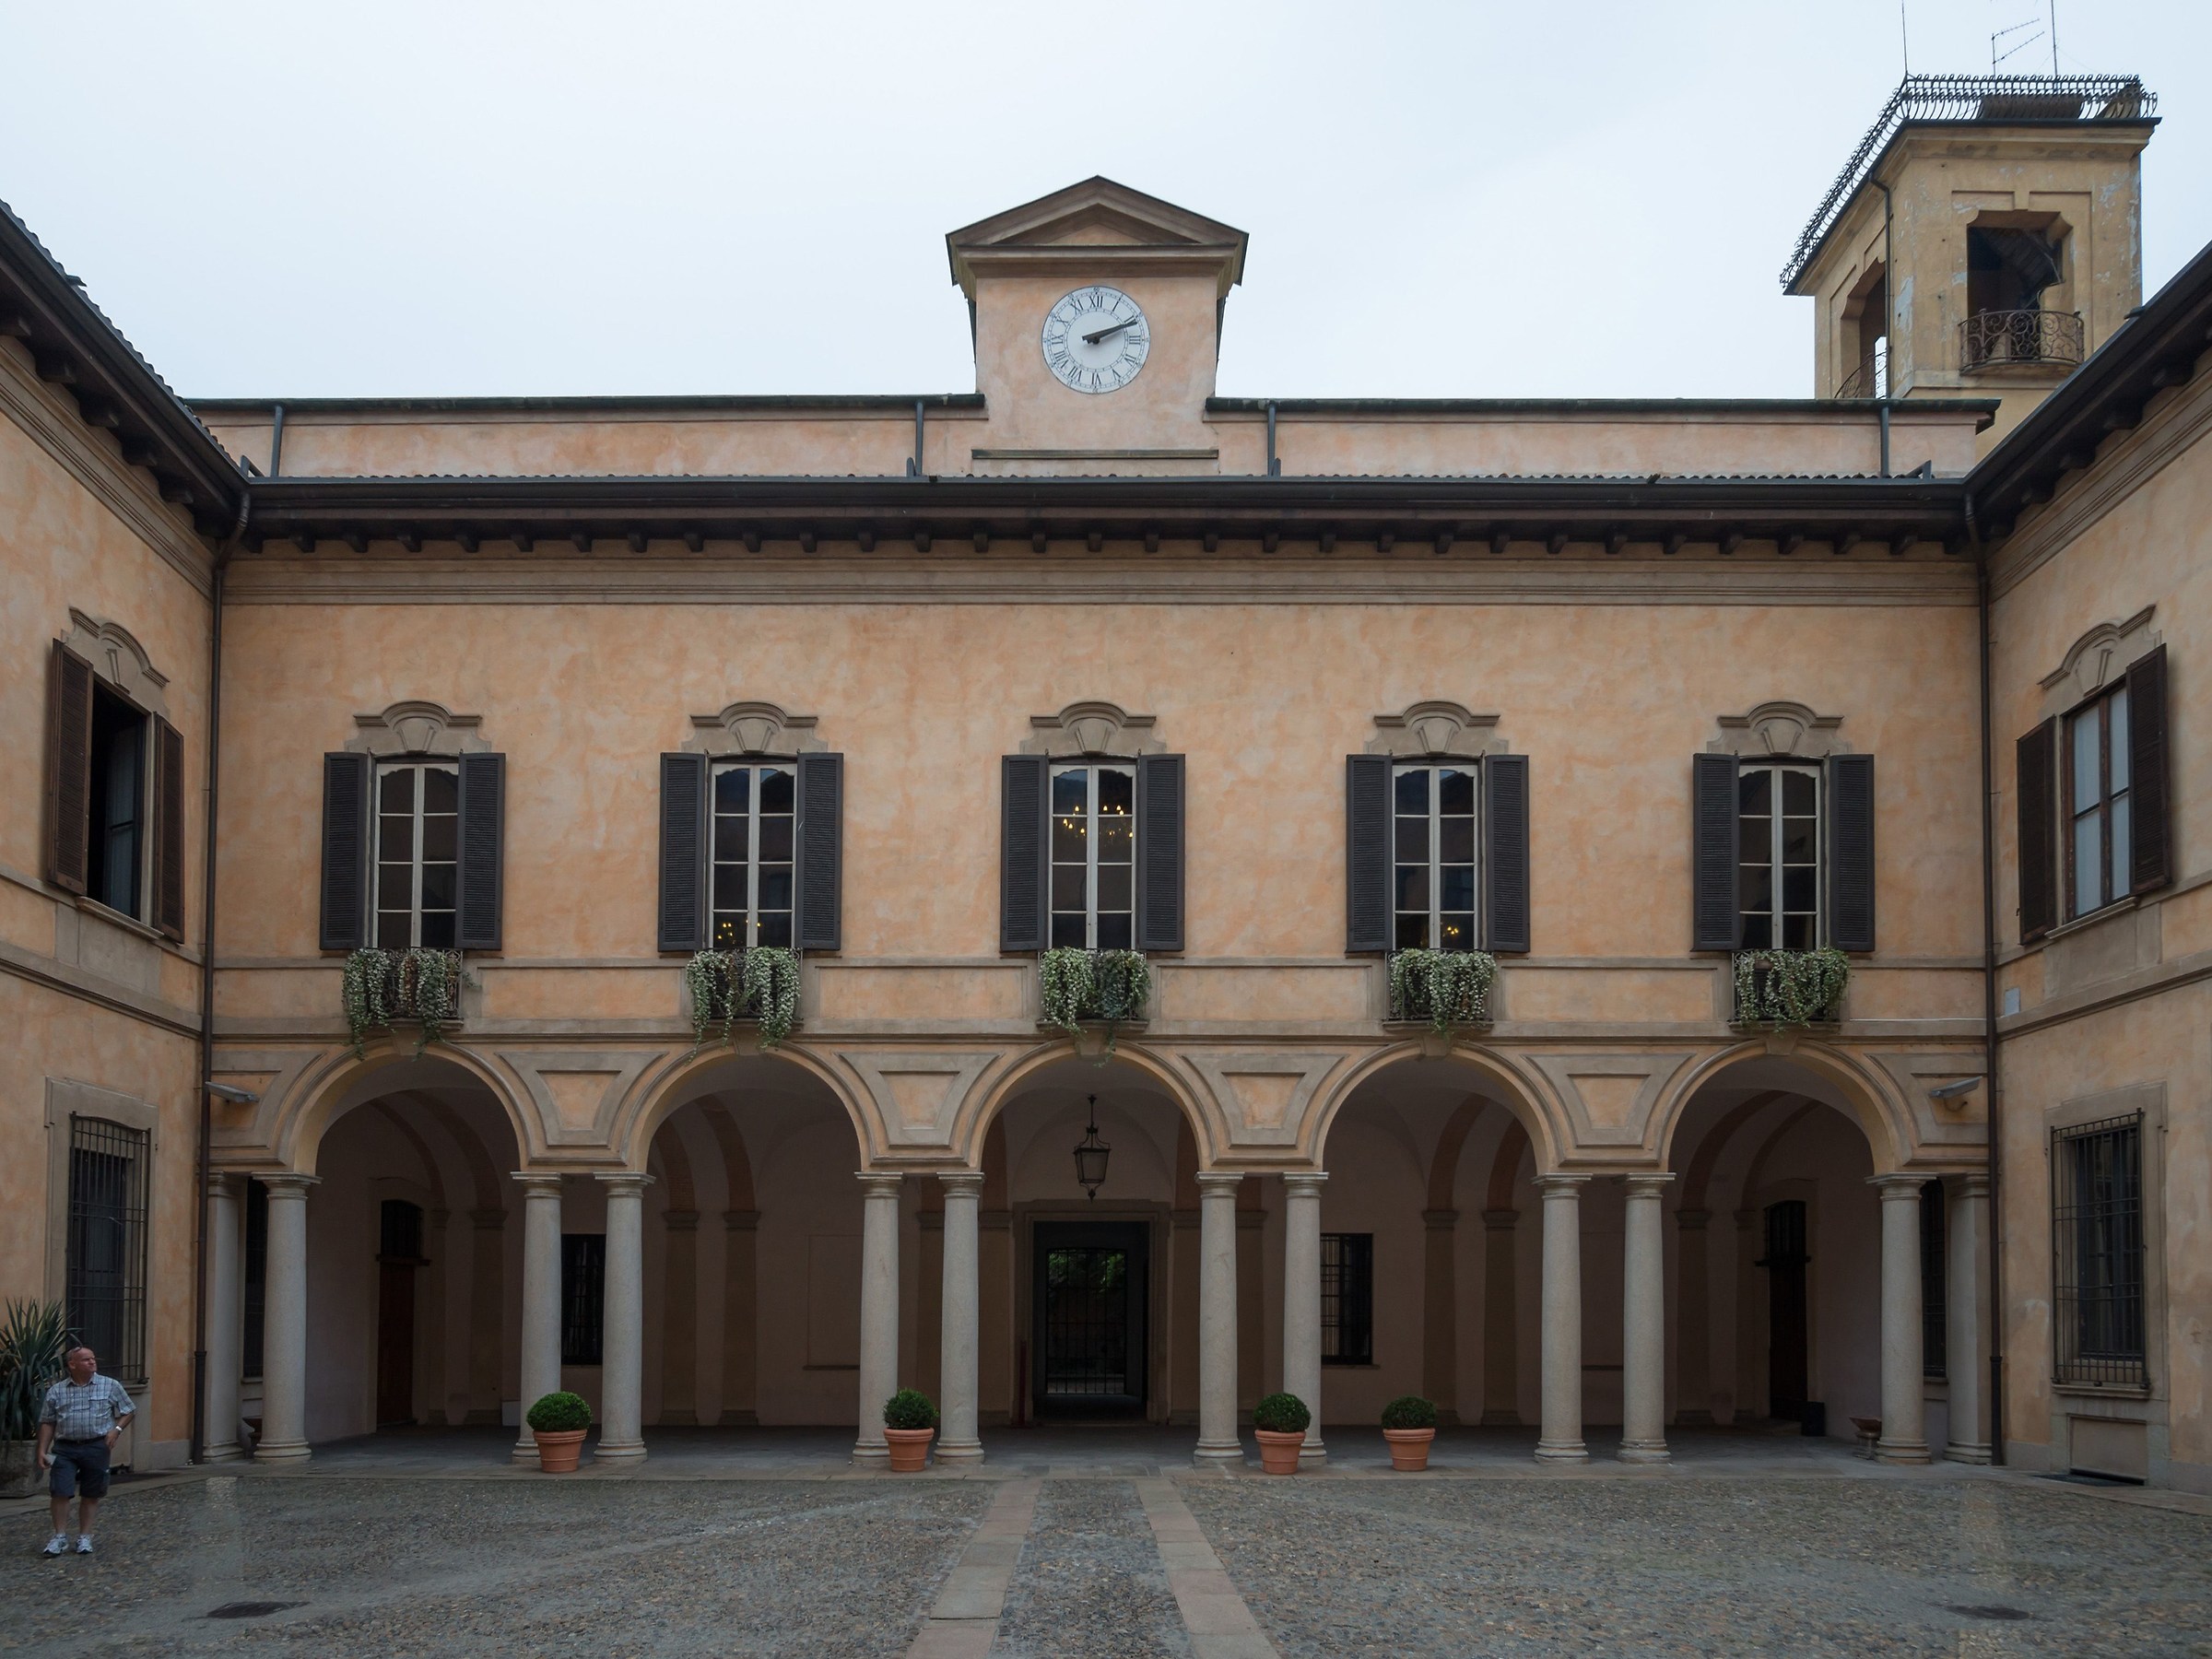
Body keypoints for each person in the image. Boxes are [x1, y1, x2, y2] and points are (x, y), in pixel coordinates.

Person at [35, 1344, 135, 1557]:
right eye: (86, 1359)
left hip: (96, 1446)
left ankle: (84, 1537)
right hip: (65, 1448)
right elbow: (47, 1421)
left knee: (91, 1493)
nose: (92, 1362)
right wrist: (42, 1450)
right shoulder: (57, 1390)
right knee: (60, 1491)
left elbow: (128, 1410)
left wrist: (116, 1430)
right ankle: (60, 1537)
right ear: (72, 1364)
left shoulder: (110, 1385)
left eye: (93, 1358)